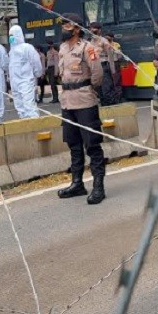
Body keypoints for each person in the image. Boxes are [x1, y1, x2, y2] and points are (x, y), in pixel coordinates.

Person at [56, 13, 106, 205]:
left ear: (77, 29)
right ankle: (77, 183)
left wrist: (89, 88)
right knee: (73, 144)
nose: (63, 29)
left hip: (85, 100)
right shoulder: (62, 48)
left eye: (66, 26)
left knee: (92, 144)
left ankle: (98, 187)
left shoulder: (87, 48)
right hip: (67, 102)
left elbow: (97, 74)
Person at [8, 25, 43, 119]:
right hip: (15, 83)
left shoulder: (27, 47)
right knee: (20, 109)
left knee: (29, 107)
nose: (11, 37)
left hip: (26, 82)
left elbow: (36, 62)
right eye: (10, 35)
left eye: (12, 35)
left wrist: (38, 73)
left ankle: (35, 126)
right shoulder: (11, 51)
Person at [88, 22, 119, 106]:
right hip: (95, 68)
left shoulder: (104, 41)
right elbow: (91, 57)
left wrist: (113, 71)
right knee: (99, 91)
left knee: (107, 90)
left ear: (99, 30)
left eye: (94, 29)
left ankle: (111, 106)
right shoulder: (90, 42)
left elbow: (110, 56)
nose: (92, 30)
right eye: (91, 29)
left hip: (104, 66)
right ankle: (104, 107)